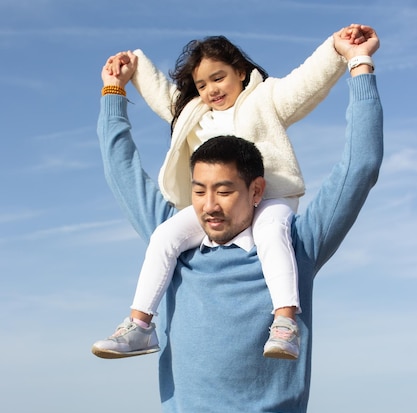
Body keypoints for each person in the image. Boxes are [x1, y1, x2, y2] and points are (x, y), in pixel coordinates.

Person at [96, 24, 382, 413]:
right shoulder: (174, 246)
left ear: (255, 190)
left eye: (224, 190)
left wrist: (358, 71)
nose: (209, 204)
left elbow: (359, 168)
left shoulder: (294, 245)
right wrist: (112, 98)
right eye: (199, 191)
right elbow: (124, 172)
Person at [92, 29, 357, 361]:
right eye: (202, 85)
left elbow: (306, 82)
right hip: (216, 207)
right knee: (164, 236)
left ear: (241, 72)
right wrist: (134, 65)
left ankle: (286, 323)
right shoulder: (192, 114)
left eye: (218, 78)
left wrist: (336, 49)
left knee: (271, 233)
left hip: (272, 198)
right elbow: (163, 96)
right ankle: (141, 325)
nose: (211, 90)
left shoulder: (267, 100)